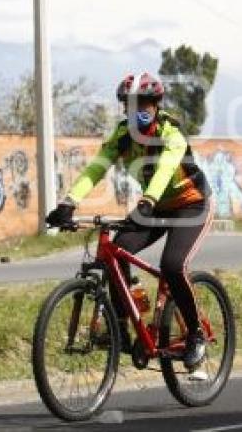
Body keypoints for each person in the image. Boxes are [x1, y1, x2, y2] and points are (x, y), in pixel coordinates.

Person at [46, 72, 212, 369]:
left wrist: (147, 201)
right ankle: (120, 330)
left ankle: (195, 335)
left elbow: (164, 169)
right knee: (117, 254)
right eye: (130, 105)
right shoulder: (122, 135)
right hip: (155, 206)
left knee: (173, 266)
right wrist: (68, 202)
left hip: (190, 206)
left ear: (156, 105)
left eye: (143, 105)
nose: (136, 111)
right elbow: (95, 170)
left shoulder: (170, 132)